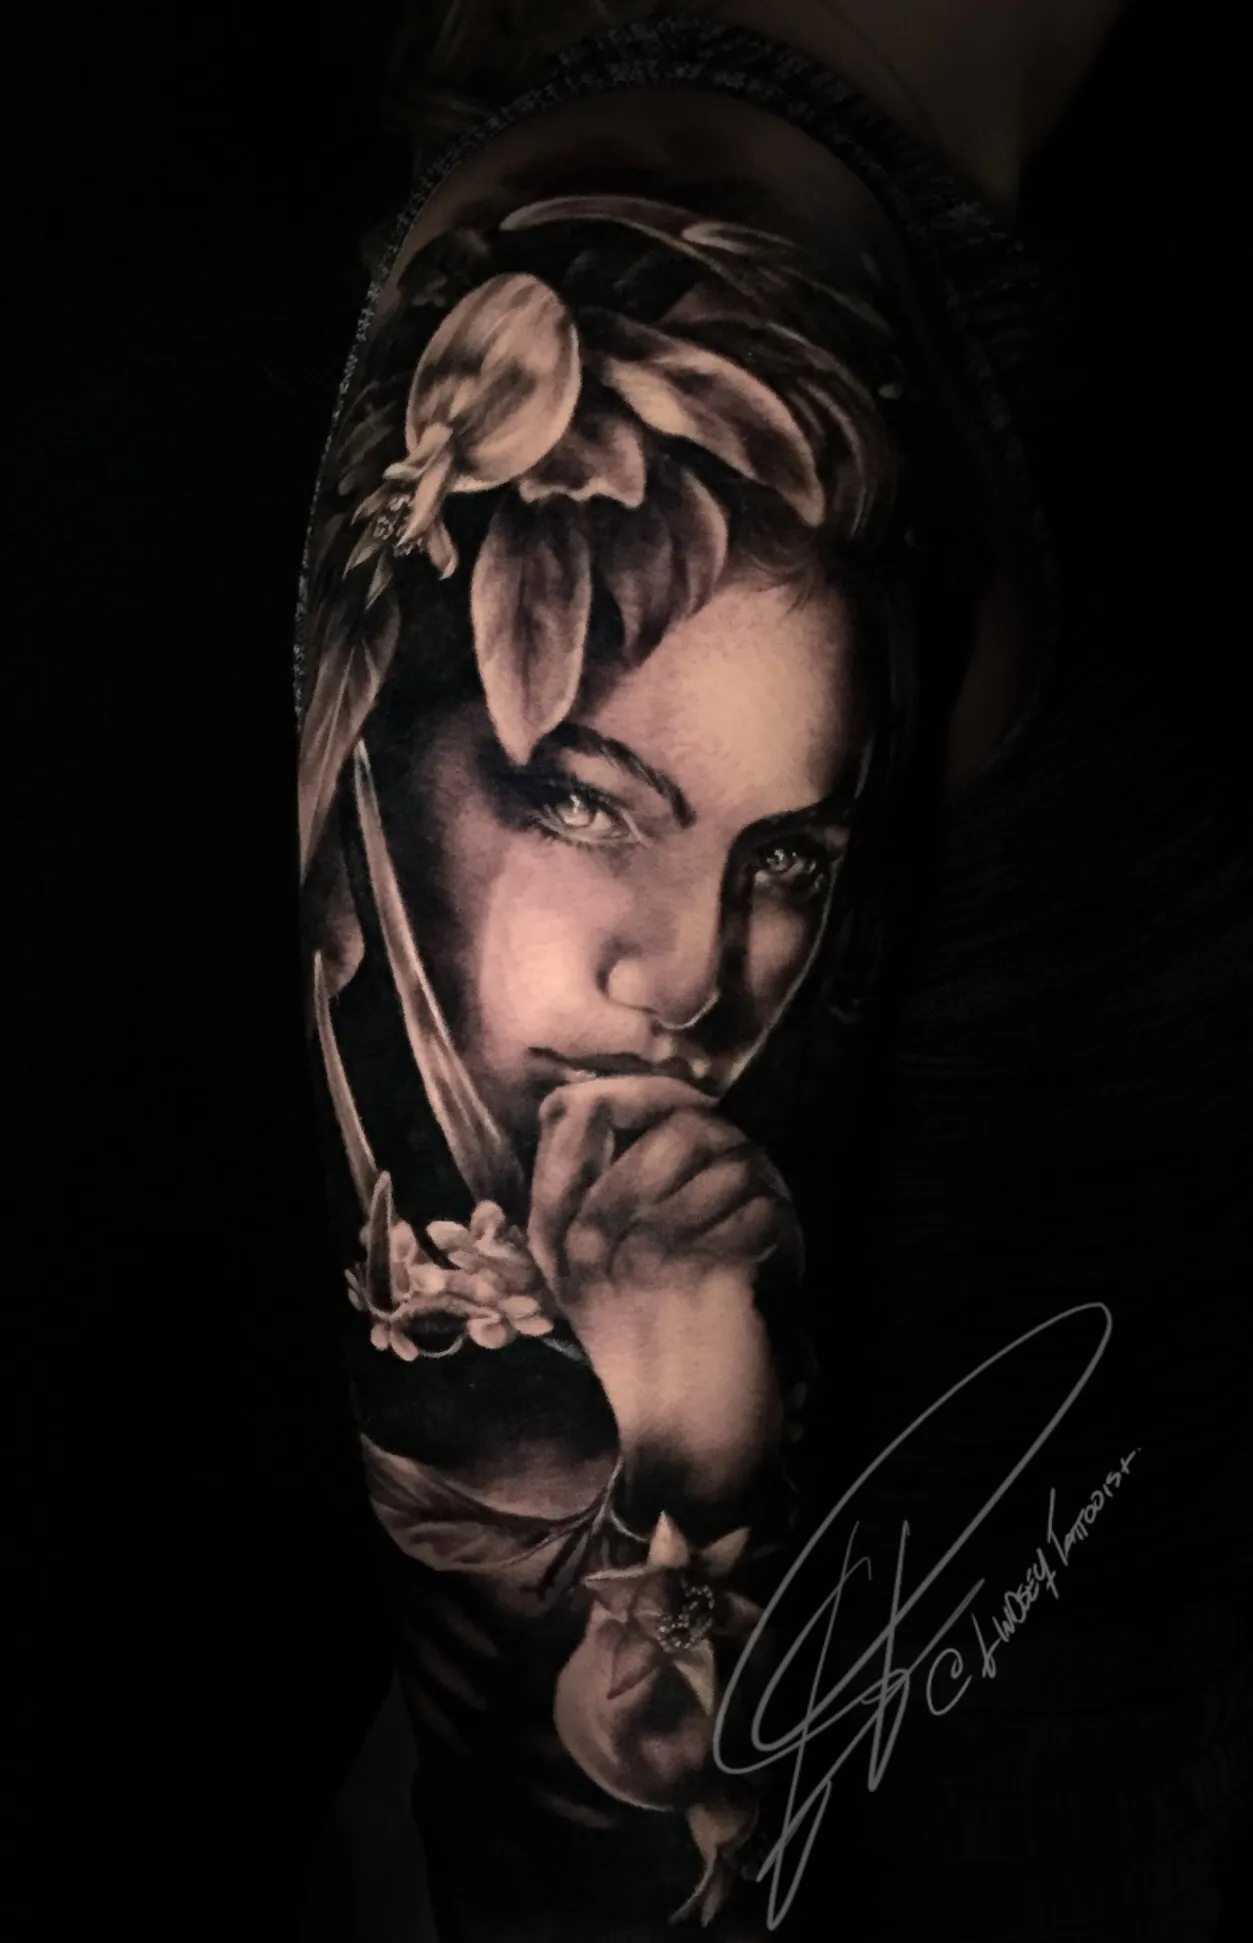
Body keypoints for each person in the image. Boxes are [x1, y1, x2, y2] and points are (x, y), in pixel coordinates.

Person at [296, 4, 1252, 1938]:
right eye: (586, 799)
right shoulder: (703, 263)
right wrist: (683, 1452)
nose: (694, 979)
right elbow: (584, 1887)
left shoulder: (955, 246)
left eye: (786, 861)